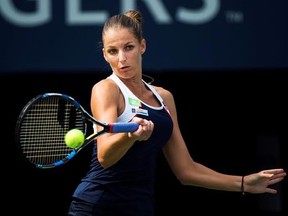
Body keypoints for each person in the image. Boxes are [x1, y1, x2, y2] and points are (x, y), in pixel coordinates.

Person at [68, 9, 286, 216]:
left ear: (142, 46)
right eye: (113, 51)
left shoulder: (165, 98)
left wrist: (243, 183)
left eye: (129, 47)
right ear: (105, 55)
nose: (122, 59)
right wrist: (129, 136)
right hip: (97, 205)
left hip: (140, 207)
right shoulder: (106, 89)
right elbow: (105, 156)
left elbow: (186, 170)